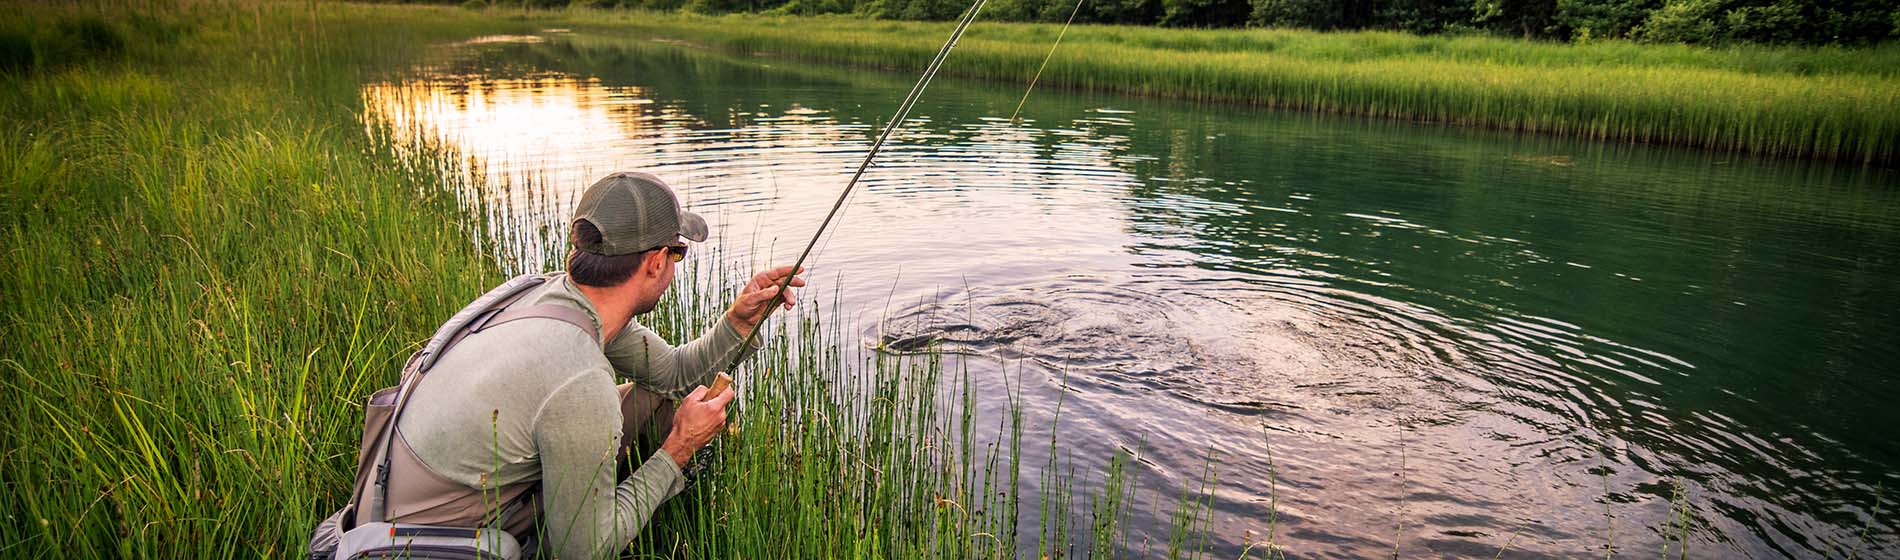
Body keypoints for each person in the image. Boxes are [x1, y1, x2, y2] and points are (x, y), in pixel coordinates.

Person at [381, 171, 804, 558]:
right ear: (655, 262)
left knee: (659, 399)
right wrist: (677, 452)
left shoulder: (553, 297)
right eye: (677, 254)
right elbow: (581, 552)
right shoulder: (581, 382)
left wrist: (738, 322)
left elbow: (674, 376)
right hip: (430, 544)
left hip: (397, 504)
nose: (674, 265)